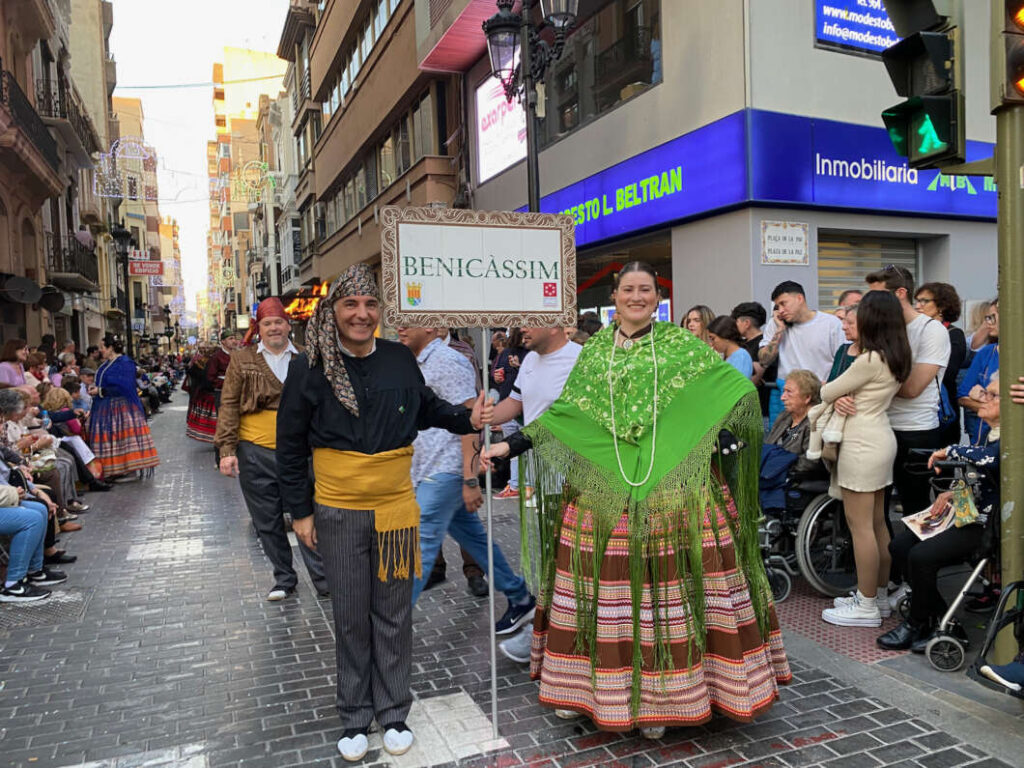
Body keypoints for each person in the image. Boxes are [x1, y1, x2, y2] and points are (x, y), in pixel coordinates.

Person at [483, 262, 789, 738]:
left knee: (668, 592)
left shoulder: (680, 344)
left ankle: (666, 700)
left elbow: (725, 389)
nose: (637, 296)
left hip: (675, 485)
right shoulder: (596, 349)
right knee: (602, 591)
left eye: (646, 289)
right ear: (616, 295)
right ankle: (585, 690)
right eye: (628, 289)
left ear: (656, 297)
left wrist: (711, 432)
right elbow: (568, 414)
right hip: (606, 484)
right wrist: (511, 445)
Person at [276, 264, 493, 762]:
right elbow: (289, 445)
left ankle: (394, 711)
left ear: (380, 311)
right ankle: (355, 715)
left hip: (396, 507)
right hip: (338, 509)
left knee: (393, 613)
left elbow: (427, 407)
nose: (362, 313)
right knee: (351, 614)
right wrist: (300, 512)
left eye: (370, 304)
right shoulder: (309, 368)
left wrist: (468, 417)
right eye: (350, 304)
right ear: (333, 312)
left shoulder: (397, 358)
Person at [397, 324, 535, 628]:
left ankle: (390, 625)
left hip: (444, 471)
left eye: (408, 319)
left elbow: (471, 421)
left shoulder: (448, 361)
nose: (400, 326)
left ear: (430, 326)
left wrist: (470, 478)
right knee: (475, 539)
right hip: (427, 468)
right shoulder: (414, 361)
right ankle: (520, 597)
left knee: (419, 546)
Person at [878, 373, 1002, 652]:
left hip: (988, 525)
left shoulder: (1011, 437)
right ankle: (938, 617)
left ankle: (918, 622)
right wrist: (954, 493)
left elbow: (991, 461)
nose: (982, 398)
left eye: (992, 395)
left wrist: (951, 450)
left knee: (921, 556)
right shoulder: (989, 432)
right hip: (968, 512)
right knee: (900, 546)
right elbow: (979, 477)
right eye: (985, 392)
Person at [216, 298, 327, 602]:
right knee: (267, 519)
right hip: (255, 451)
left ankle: (322, 578)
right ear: (259, 328)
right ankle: (284, 578)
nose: (274, 327)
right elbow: (229, 404)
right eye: (267, 323)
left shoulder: (307, 356)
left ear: (288, 326)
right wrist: (227, 449)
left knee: (309, 512)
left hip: (301, 452)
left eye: (279, 322)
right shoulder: (242, 359)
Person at [820, 290, 912, 627]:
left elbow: (826, 390)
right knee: (877, 524)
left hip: (860, 443)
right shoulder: (897, 355)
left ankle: (866, 604)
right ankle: (880, 595)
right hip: (880, 438)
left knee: (861, 528)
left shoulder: (870, 359)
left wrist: (839, 394)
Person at [861, 267, 950, 527]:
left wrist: (871, 384)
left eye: (878, 295)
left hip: (915, 429)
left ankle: (916, 554)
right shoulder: (881, 328)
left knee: (916, 509)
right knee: (876, 509)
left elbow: (913, 389)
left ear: (900, 293)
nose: (872, 303)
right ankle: (889, 555)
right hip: (878, 425)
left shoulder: (931, 330)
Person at [759, 281, 845, 424]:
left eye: (783, 303)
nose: (780, 310)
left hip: (820, 394)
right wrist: (779, 331)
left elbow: (843, 361)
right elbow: (764, 360)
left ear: (799, 298)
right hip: (786, 395)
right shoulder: (776, 324)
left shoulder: (831, 324)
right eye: (777, 306)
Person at [87, 335, 159, 480]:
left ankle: (128, 470)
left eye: (102, 347)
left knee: (123, 439)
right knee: (113, 439)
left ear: (111, 348)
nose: (100, 350)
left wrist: (101, 390)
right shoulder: (107, 364)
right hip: (106, 407)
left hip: (122, 408)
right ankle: (115, 470)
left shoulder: (124, 363)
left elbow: (125, 386)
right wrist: (96, 388)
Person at [914, 282, 966, 447]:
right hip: (914, 412)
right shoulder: (914, 332)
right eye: (917, 301)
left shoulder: (954, 334)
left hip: (941, 409)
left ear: (941, 306)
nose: (918, 306)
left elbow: (948, 373)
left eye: (924, 301)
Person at [492, 328, 527, 500]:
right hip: (507, 405)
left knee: (527, 449)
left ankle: (528, 485)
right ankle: (515, 485)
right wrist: (497, 376)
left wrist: (519, 367)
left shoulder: (532, 354)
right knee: (511, 450)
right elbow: (496, 374)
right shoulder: (505, 353)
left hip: (525, 408)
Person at [959, 298, 999, 444]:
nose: (988, 323)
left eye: (992, 317)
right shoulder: (986, 352)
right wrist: (994, 407)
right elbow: (962, 396)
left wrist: (984, 398)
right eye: (987, 318)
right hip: (984, 436)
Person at [207, 330, 237, 465]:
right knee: (223, 423)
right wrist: (226, 382)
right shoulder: (216, 357)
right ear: (223, 341)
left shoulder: (238, 354)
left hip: (237, 393)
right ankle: (220, 457)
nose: (233, 341)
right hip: (222, 393)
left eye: (234, 338)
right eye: (230, 338)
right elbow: (211, 377)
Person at [185, 346, 218, 443]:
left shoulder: (201, 360)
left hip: (202, 391)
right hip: (208, 392)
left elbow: (191, 371)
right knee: (214, 417)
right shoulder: (206, 361)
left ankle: (214, 437)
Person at [828, 303, 860, 381]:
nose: (844, 327)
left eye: (850, 323)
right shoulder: (842, 350)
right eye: (844, 323)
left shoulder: (874, 354)